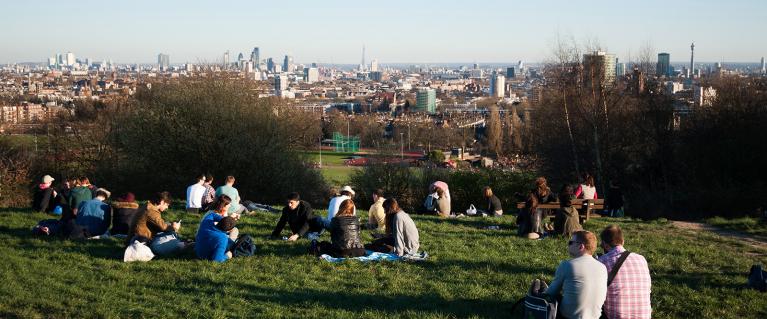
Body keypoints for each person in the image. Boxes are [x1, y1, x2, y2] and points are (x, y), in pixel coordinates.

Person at [544, 230, 607, 319]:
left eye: (571, 242)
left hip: (569, 316)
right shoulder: (602, 267)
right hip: (595, 316)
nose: (568, 245)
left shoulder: (567, 265)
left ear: (581, 246)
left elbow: (550, 293)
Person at [598, 225, 652, 319]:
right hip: (644, 316)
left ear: (605, 245)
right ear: (623, 241)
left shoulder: (602, 261)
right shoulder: (641, 258)